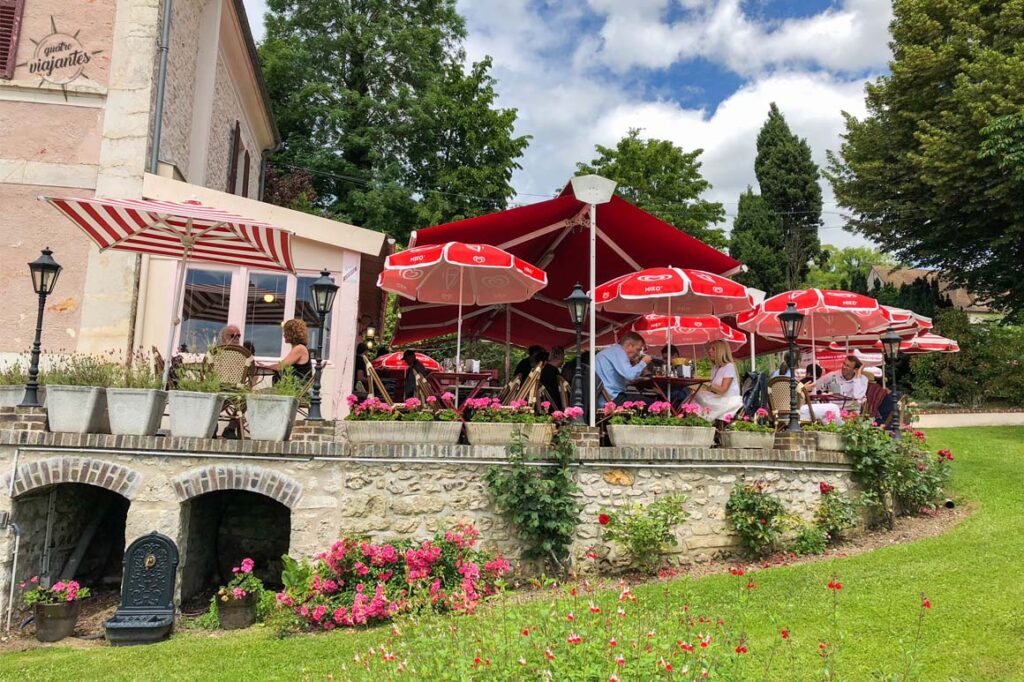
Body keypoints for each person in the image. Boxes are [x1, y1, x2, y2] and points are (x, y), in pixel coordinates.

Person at [595, 332, 651, 406]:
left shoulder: (611, 351)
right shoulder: (619, 351)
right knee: (654, 403)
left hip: (603, 398)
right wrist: (644, 362)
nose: (638, 353)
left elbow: (613, 378)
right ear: (628, 345)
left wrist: (634, 380)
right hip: (612, 399)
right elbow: (630, 375)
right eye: (638, 349)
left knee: (645, 400)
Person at [693, 340, 744, 421]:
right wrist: (695, 385)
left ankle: (699, 421)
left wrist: (704, 381)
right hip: (718, 398)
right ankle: (696, 421)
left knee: (695, 398)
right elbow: (712, 389)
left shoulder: (729, 366)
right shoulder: (715, 368)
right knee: (693, 394)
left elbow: (723, 390)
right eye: (709, 349)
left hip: (727, 401)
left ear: (721, 352)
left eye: (713, 349)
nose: (709, 351)